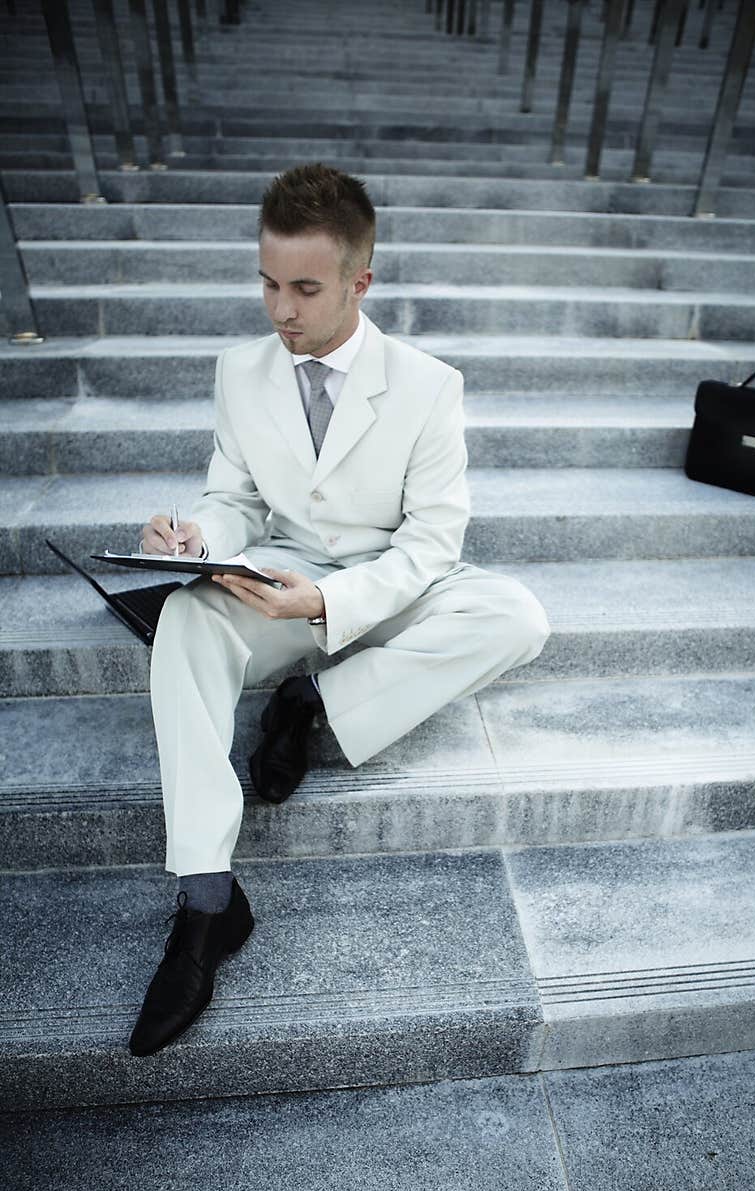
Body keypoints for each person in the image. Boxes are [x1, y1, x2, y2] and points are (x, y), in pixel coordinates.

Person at [129, 163, 550, 1057]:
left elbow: (434, 543)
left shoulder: (429, 384)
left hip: (385, 580)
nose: (281, 310)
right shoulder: (239, 372)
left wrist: (331, 601)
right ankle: (207, 903)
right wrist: (195, 536)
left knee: (514, 614)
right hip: (278, 570)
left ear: (361, 281)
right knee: (185, 616)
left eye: (305, 289)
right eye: (269, 284)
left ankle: (311, 704)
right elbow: (234, 498)